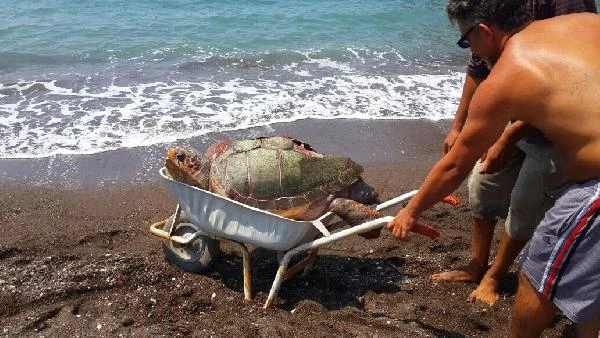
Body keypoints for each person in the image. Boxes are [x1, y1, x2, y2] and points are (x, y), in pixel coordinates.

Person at [387, 0, 600, 336]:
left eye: (466, 40)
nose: (469, 49)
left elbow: (455, 165)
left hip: (595, 192)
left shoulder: (507, 75)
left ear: (485, 30)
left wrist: (411, 212)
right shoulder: (586, 22)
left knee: (537, 278)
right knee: (590, 289)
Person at [434, 0, 597, 306]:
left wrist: (507, 138)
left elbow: (564, 79)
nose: (469, 45)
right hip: (513, 117)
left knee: (525, 206)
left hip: (556, 135)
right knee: (482, 190)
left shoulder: (566, 4)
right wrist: (459, 125)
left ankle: (494, 276)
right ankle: (475, 265)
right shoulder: (488, 10)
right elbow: (477, 66)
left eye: (467, 37)